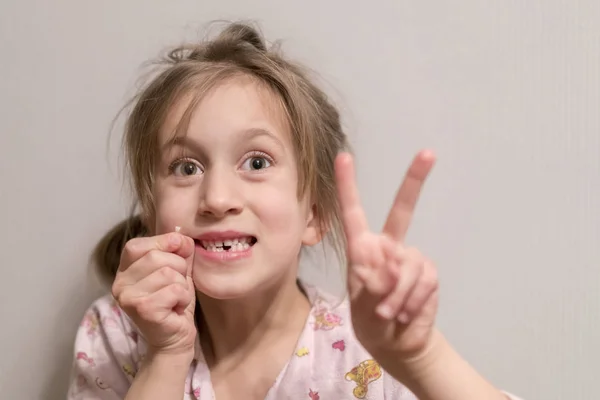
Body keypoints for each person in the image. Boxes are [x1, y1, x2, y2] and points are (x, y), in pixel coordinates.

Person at [67, 21, 523, 400]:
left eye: (257, 162)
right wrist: (165, 356)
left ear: (316, 214)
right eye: (186, 167)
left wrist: (421, 357)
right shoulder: (115, 334)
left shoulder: (366, 352)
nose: (217, 197)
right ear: (152, 214)